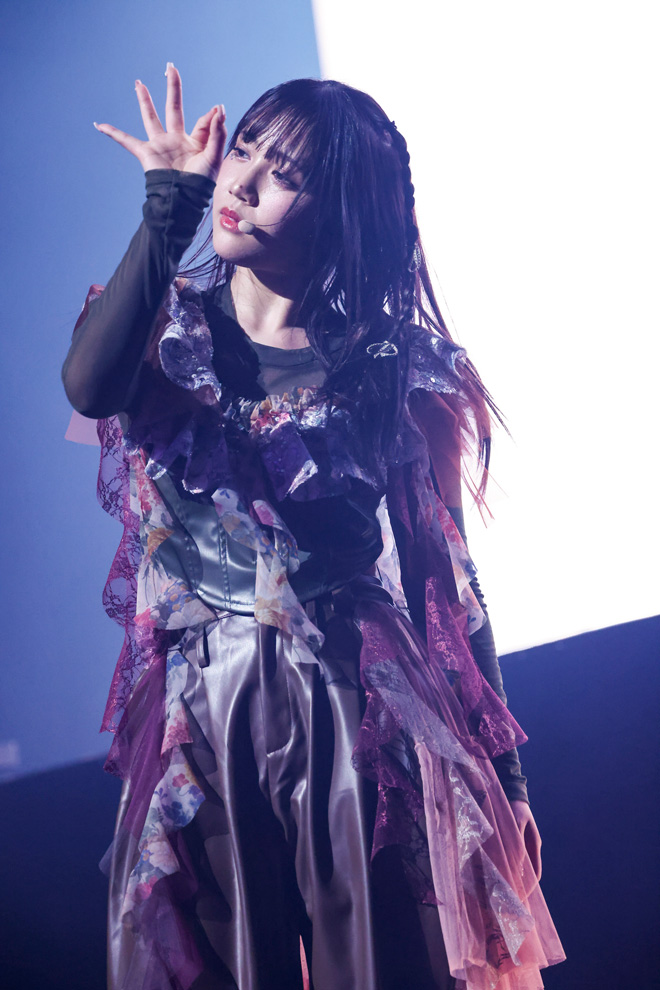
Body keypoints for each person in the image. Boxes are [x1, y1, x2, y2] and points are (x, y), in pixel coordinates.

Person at [63, 64, 564, 990]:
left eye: (284, 173)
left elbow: (446, 583)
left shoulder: (396, 367)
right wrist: (168, 205)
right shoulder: (166, 334)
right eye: (244, 150)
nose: (243, 182)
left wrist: (509, 783)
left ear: (340, 213)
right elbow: (89, 388)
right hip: (201, 718)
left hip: (355, 712)